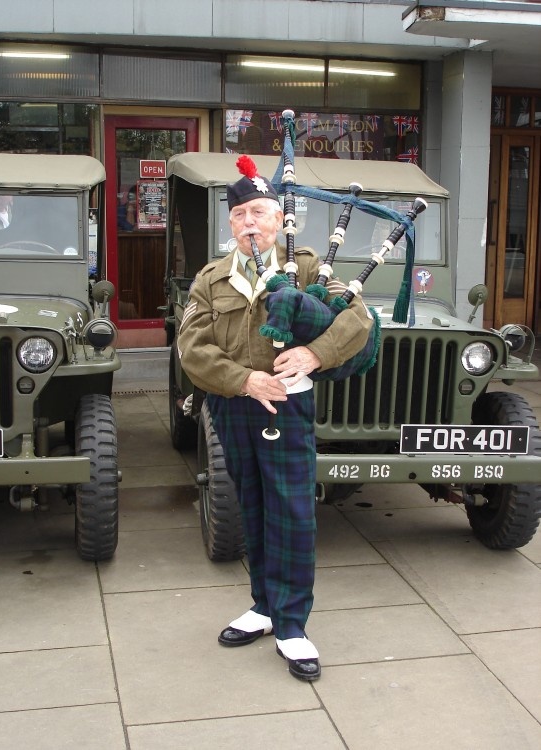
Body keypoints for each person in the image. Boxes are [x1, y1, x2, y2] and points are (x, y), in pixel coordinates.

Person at [177, 157, 374, 682]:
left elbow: (360, 320)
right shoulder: (211, 278)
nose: (249, 223)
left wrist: (315, 355)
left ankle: (291, 626)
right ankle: (263, 607)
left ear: (278, 219)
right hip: (233, 404)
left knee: (291, 513)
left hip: (288, 407)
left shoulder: (308, 269)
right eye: (240, 214)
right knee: (253, 506)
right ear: (231, 224)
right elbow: (191, 349)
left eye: (259, 212)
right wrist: (243, 380)